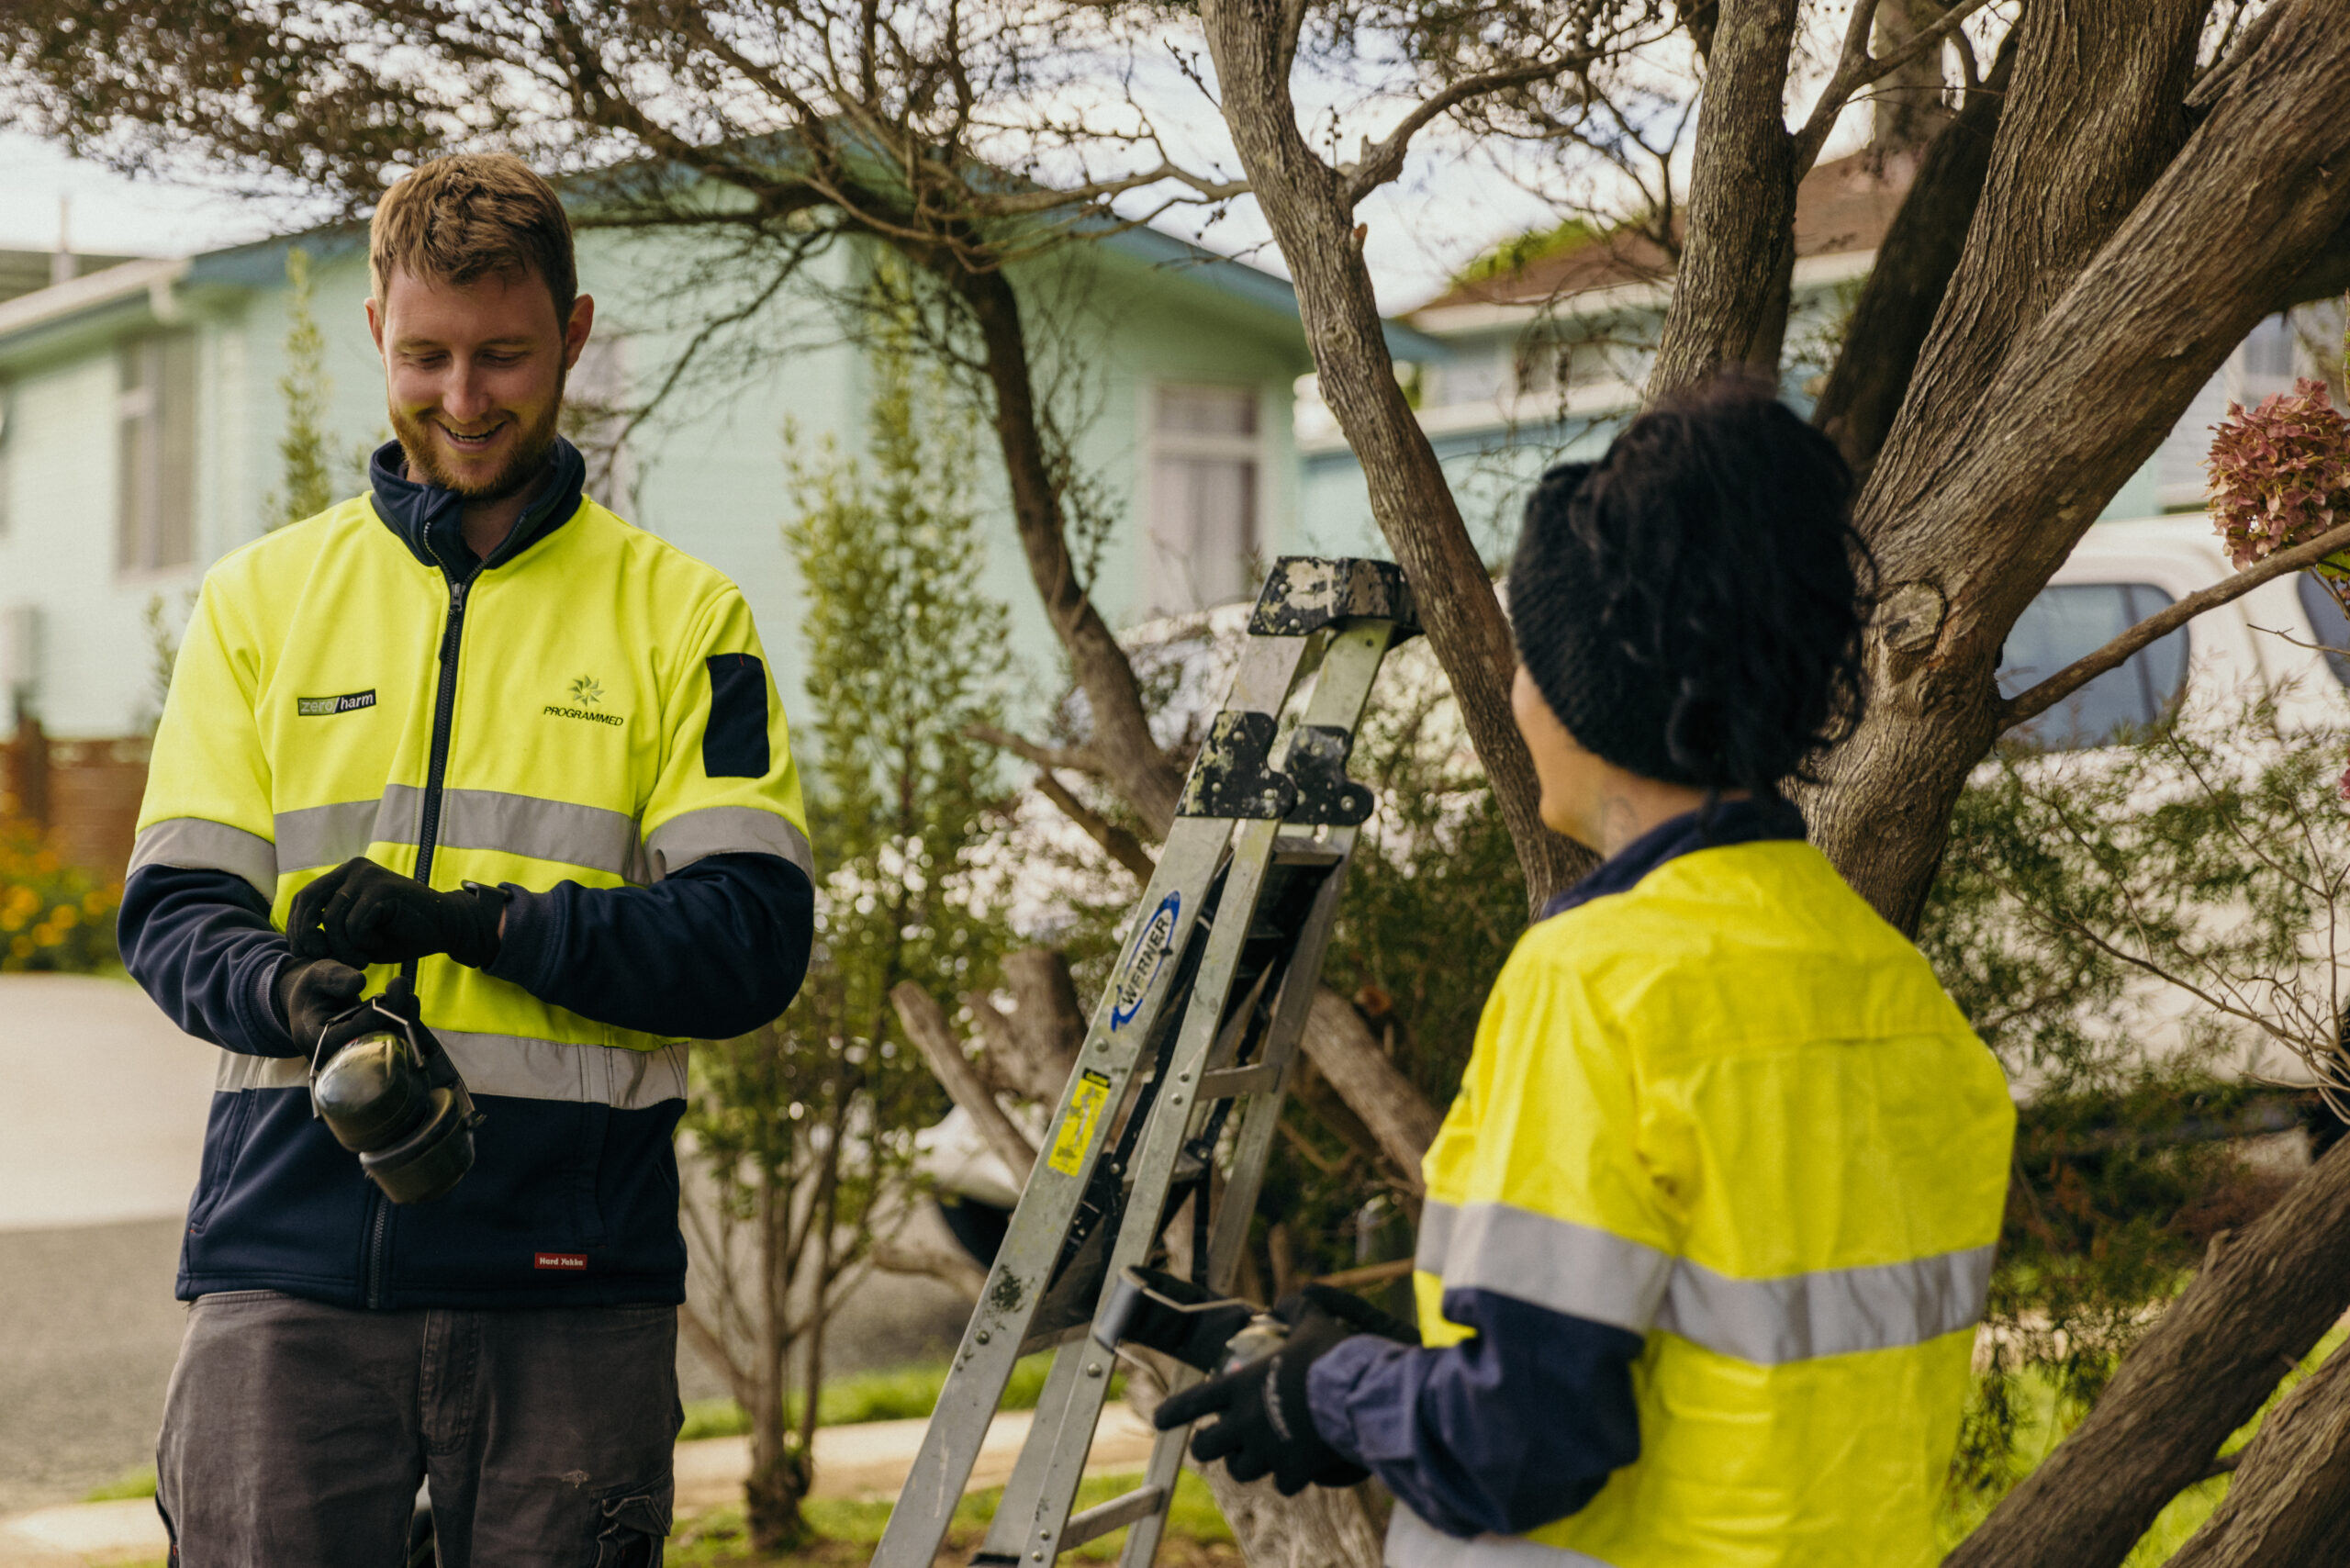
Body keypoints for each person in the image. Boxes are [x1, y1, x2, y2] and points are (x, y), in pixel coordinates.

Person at [1156, 376, 2018, 1567]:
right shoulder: (1898, 996)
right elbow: (1705, 1347)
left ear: (1576, 689)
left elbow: (1523, 1444)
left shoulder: (1601, 980)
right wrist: (1421, 1346)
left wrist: (1333, 1394)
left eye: (1524, 658)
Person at [119, 153, 815, 1566]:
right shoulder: (258, 604)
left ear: (573, 332)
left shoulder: (687, 617)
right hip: (287, 1273)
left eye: (504, 356)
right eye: (427, 356)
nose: (464, 398)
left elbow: (749, 940)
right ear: (377, 330)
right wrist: (292, 992)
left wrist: (477, 923)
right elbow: (176, 913)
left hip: (569, 1288)